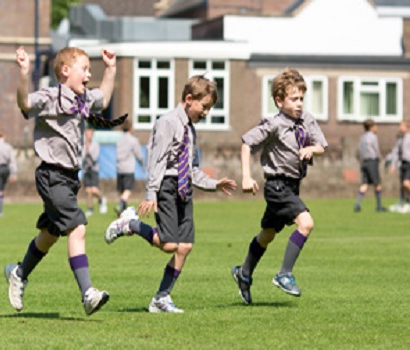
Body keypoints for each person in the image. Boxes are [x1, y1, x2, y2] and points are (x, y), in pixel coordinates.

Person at [4, 45, 125, 316]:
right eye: (85, 69)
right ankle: (88, 293)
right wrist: (24, 73)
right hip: (51, 175)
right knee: (77, 227)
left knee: (50, 235)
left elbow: (104, 99)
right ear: (66, 71)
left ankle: (19, 273)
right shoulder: (49, 96)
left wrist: (111, 69)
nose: (88, 74)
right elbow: (25, 103)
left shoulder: (82, 99)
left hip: (70, 179)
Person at [104, 75, 236, 313]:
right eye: (204, 106)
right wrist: (151, 193)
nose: (206, 112)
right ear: (189, 99)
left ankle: (161, 298)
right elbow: (157, 158)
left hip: (184, 189)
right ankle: (130, 224)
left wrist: (214, 184)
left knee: (184, 247)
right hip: (166, 184)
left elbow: (193, 169)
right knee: (168, 245)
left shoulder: (191, 130)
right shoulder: (168, 122)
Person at [231, 68, 328, 305]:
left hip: (292, 187)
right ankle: (284, 274)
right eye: (293, 99)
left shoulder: (307, 120)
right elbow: (246, 142)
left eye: (301, 99)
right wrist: (246, 176)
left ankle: (244, 273)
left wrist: (310, 149)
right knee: (306, 223)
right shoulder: (273, 124)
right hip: (276, 186)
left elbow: (321, 146)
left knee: (267, 234)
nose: (299, 104)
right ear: (279, 100)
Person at [353, 119, 386, 212]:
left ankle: (358, 204)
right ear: (371, 127)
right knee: (377, 183)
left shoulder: (362, 137)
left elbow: (359, 150)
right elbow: (376, 149)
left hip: (364, 162)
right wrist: (379, 158)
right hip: (372, 161)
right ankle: (379, 206)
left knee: (365, 183)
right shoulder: (373, 137)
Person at [114, 118, 144, 216]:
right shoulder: (133, 140)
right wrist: (143, 165)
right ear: (131, 128)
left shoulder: (119, 140)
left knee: (122, 190)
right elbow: (139, 154)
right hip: (128, 168)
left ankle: (122, 212)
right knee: (128, 190)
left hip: (119, 168)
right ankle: (120, 204)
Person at [83, 127, 107, 216]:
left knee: (93, 189)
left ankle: (102, 198)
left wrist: (89, 150)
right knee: (87, 190)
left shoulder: (95, 144)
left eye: (89, 133)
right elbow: (82, 157)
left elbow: (95, 157)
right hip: (86, 169)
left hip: (93, 169)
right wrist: (86, 150)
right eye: (87, 133)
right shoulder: (83, 144)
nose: (88, 135)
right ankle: (90, 208)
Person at [389, 119, 410, 213]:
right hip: (403, 163)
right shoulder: (400, 138)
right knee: (403, 185)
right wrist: (393, 165)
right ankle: (401, 202)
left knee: (406, 183)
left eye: (402, 126)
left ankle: (408, 203)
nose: (400, 128)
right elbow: (396, 152)